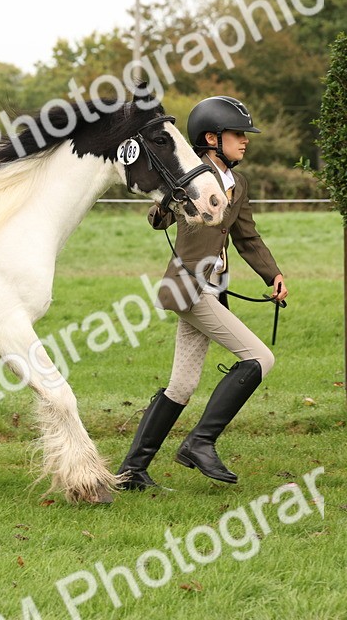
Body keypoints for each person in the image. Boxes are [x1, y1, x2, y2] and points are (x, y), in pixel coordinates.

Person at [117, 96, 288, 491]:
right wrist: (165, 202)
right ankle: (199, 442)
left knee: (181, 386)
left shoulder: (238, 184)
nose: (245, 141)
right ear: (212, 138)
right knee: (259, 358)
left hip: (213, 289)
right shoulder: (189, 175)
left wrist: (273, 274)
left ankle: (131, 472)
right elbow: (157, 218)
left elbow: (247, 237)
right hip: (190, 289)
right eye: (238, 134)